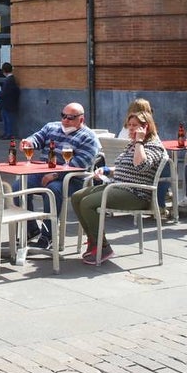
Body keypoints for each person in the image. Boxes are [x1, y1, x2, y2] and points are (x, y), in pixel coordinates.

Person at [70, 111, 167, 265]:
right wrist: (107, 170)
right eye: (129, 125)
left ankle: (102, 247)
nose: (130, 129)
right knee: (77, 197)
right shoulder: (132, 144)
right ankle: (95, 241)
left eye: (135, 126)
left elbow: (140, 165)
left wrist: (139, 142)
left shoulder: (154, 146)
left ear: (146, 127)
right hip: (119, 187)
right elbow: (124, 166)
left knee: (88, 203)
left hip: (137, 194)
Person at [20, 102, 102, 249]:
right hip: (44, 172)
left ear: (81, 120)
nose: (65, 120)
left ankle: (48, 236)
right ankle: (31, 229)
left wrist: (56, 175)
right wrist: (29, 142)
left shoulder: (89, 138)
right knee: (19, 186)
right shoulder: (52, 127)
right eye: (63, 116)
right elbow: (37, 138)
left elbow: (79, 164)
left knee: (52, 189)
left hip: (73, 179)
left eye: (70, 118)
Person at [0, 63, 20, 139]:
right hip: (9, 103)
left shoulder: (8, 80)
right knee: (6, 119)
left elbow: (5, 93)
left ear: (4, 70)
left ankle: (8, 134)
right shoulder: (11, 79)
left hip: (8, 103)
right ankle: (6, 133)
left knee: (7, 119)